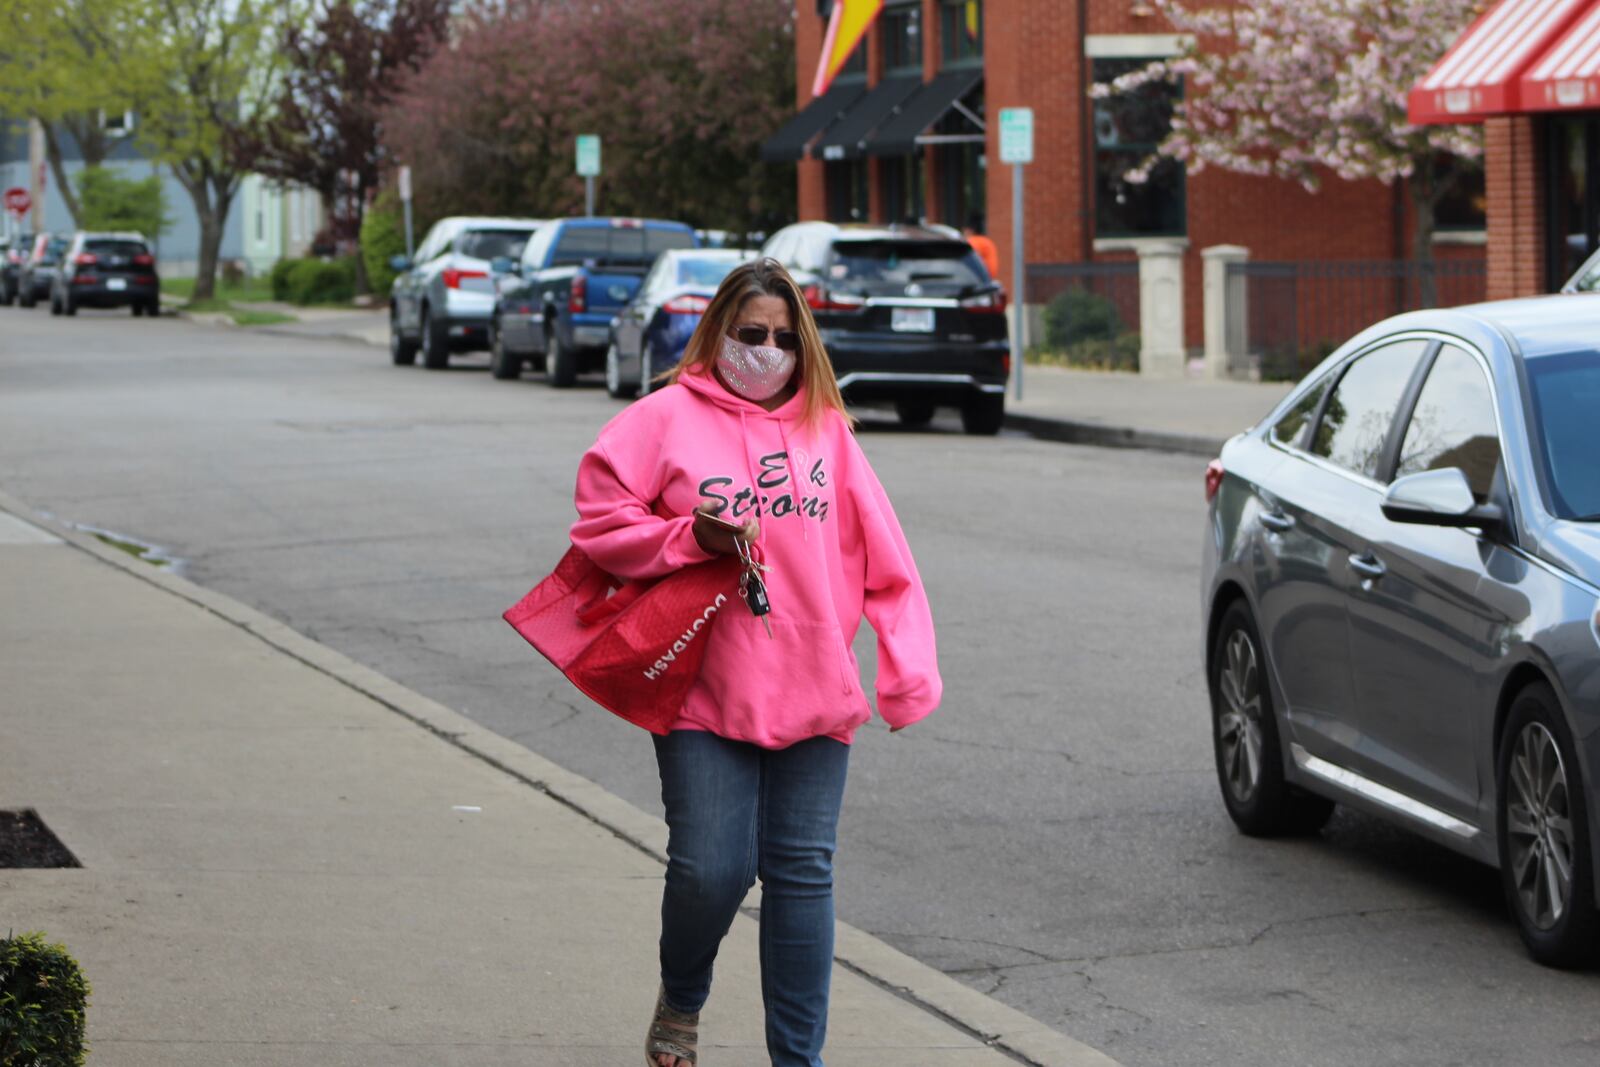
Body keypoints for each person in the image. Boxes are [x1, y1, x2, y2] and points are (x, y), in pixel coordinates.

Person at [568, 257, 942, 1067]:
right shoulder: (664, 417)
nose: (767, 350)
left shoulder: (827, 431)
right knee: (711, 869)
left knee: (802, 874)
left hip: (815, 690)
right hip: (704, 688)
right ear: (718, 334)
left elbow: (892, 562)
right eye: (751, 334)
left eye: (783, 338)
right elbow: (598, 517)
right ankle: (683, 993)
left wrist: (905, 672)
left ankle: (797, 1062)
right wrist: (685, 537)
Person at [963, 213, 1000, 279]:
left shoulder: (972, 242)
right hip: (988, 280)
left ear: (970, 230)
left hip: (977, 280)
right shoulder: (988, 242)